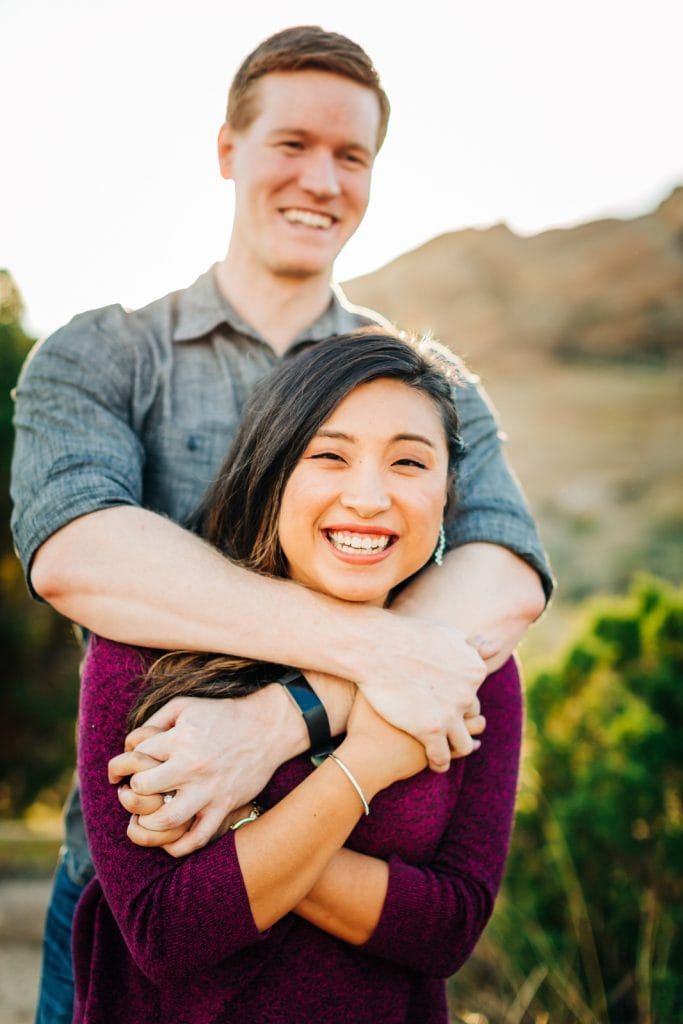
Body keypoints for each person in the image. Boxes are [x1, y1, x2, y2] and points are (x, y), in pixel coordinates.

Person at [10, 25, 551, 1024]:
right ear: (227, 151)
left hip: (364, 933)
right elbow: (83, 556)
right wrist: (365, 674)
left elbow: (502, 575)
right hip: (143, 886)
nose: (321, 178)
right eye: (291, 143)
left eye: (351, 156)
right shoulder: (103, 354)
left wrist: (278, 719)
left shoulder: (423, 385)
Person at [74, 329, 523, 1024]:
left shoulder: (465, 670)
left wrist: (238, 827)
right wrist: (364, 766)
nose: (369, 498)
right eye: (329, 456)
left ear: (445, 494)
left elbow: (448, 928)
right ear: (271, 470)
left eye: (409, 462)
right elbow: (166, 931)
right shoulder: (144, 642)